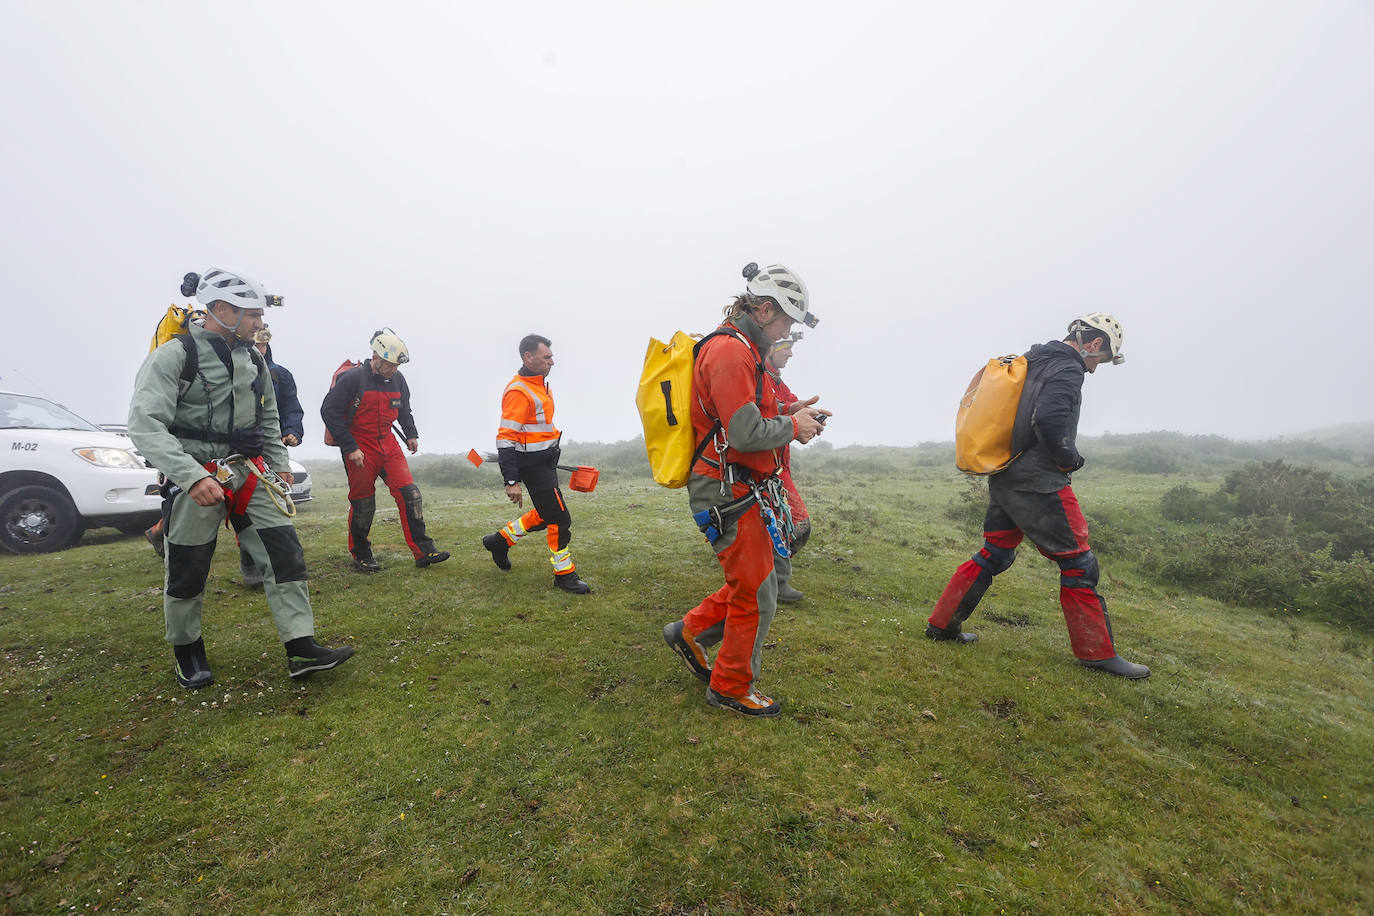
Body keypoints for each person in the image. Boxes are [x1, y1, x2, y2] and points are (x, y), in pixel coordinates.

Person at [128, 268, 354, 689]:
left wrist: (279, 462)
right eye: (252, 314)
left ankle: (301, 647)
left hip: (248, 473)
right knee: (188, 568)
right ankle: (187, 651)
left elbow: (268, 416)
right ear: (221, 309)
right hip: (193, 473)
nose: (259, 322)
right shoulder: (174, 356)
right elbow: (144, 426)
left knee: (284, 552)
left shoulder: (253, 359)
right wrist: (192, 478)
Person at [926, 314, 1150, 679]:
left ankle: (942, 624)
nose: (1095, 369)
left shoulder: (1032, 360)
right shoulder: (1068, 368)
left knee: (994, 552)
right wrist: (1069, 459)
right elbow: (1049, 418)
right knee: (1080, 564)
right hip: (1040, 483)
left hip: (1004, 471)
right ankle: (1097, 654)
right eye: (1101, 359)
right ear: (1093, 344)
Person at [661, 263, 829, 717]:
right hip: (726, 488)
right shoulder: (732, 353)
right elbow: (743, 432)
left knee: (754, 583)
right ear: (766, 308)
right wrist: (792, 425)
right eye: (786, 323)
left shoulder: (741, 350)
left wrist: (790, 409)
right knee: (756, 591)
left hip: (736, 484)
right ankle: (732, 686)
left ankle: (691, 632)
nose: (786, 333)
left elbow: (742, 414)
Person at [320, 328, 449, 572]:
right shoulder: (353, 379)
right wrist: (350, 447)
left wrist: (411, 434)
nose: (394, 370)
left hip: (388, 444)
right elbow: (329, 412)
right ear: (376, 359)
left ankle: (423, 550)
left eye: (397, 366)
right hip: (360, 446)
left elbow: (404, 409)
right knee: (364, 503)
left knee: (411, 494)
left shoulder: (398, 380)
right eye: (390, 365)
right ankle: (361, 553)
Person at [481, 334, 591, 594]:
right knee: (560, 519)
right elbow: (505, 438)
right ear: (528, 357)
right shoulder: (519, 391)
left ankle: (500, 541)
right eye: (547, 357)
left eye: (551, 356)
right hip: (531, 466)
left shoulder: (542, 385)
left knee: (546, 514)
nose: (552, 362)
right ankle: (565, 575)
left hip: (546, 462)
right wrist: (511, 480)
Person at [239, 325, 303, 587]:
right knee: (243, 503)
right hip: (241, 448)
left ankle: (273, 562)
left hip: (272, 447)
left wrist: (292, 431)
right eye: (256, 345)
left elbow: (290, 408)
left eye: (264, 345)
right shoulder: (235, 370)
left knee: (272, 501)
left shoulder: (280, 375)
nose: (260, 350)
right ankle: (249, 562)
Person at [765, 335, 823, 604]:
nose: (790, 355)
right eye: (786, 349)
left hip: (777, 467)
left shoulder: (776, 381)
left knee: (782, 524)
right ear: (771, 349)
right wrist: (792, 417)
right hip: (764, 467)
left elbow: (786, 407)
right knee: (793, 524)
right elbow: (761, 415)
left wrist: (805, 415)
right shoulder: (759, 377)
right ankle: (772, 582)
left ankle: (771, 580)